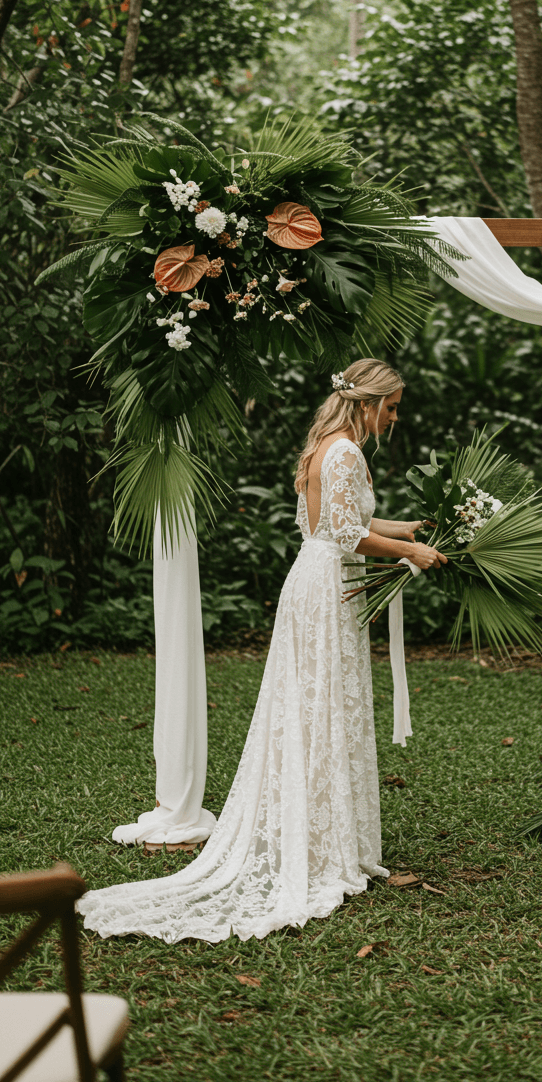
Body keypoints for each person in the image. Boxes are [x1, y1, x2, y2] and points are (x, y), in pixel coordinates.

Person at [77, 358, 446, 943]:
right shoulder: (347, 451)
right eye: (391, 407)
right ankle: (320, 841)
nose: (394, 418)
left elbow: (343, 522)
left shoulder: (328, 443)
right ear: (367, 403)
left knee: (314, 706)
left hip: (318, 580)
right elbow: (344, 534)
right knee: (320, 705)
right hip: (329, 585)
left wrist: (408, 530)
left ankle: (321, 831)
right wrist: (414, 556)